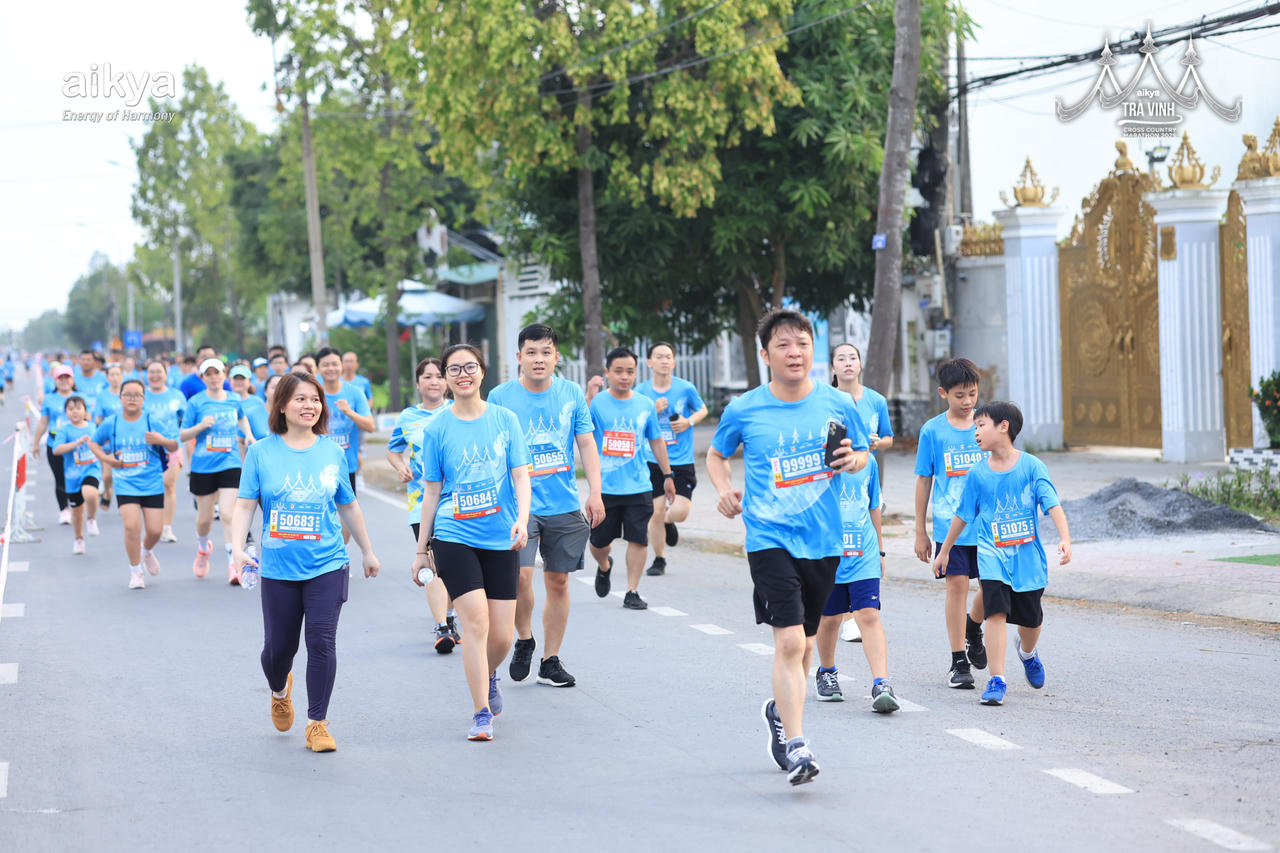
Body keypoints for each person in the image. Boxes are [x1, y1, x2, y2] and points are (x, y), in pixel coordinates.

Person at [706, 308, 869, 786]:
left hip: (824, 539)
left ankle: (780, 710)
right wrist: (724, 488)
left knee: (806, 646)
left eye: (802, 343)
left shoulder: (838, 404)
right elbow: (717, 455)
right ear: (765, 355)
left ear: (813, 351)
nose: (794, 352)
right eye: (783, 345)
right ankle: (799, 746)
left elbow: (860, 454)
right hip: (769, 537)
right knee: (791, 640)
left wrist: (854, 461)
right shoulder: (744, 409)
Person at [231, 371, 381, 753]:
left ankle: (317, 722)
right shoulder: (262, 452)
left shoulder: (332, 450)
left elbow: (347, 503)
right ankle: (280, 689)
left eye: (315, 399)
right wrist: (237, 547)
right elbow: (246, 503)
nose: (309, 405)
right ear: (282, 405)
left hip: (327, 562)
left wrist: (366, 550)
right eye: (300, 399)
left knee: (321, 640)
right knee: (278, 650)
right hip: (278, 567)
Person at [409, 345, 531, 741]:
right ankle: (481, 713)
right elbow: (431, 491)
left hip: (500, 536)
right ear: (444, 377)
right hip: (453, 534)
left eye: (470, 367)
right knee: (475, 622)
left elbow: (521, 477)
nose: (463, 374)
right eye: (454, 369)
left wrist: (522, 520)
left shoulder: (505, 419)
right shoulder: (437, 429)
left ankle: (489, 673)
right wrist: (421, 549)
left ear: (482, 372)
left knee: (502, 637)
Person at [931, 402, 1071, 706]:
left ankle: (1027, 653)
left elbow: (1052, 503)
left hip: (1027, 560)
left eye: (981, 425)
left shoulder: (1032, 466)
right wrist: (944, 551)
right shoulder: (978, 474)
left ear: (1003, 427)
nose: (976, 431)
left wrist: (1065, 537)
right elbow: (962, 515)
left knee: (1032, 621)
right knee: (995, 613)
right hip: (992, 555)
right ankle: (997, 679)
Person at [489, 324, 604, 687]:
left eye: (546, 352)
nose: (539, 359)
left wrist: (595, 492)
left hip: (563, 503)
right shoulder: (499, 396)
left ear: (556, 357)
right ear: (519, 357)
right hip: (516, 506)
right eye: (531, 352)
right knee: (521, 576)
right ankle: (524, 637)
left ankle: (550, 660)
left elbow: (586, 444)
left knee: (558, 581)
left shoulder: (571, 394)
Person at [913, 357, 989, 689]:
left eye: (972, 394)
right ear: (944, 393)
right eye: (960, 395)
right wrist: (920, 530)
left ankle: (974, 626)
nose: (967, 402)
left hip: (989, 525)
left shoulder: (987, 425)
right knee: (957, 586)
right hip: (949, 526)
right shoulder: (932, 431)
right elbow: (923, 480)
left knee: (993, 588)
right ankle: (959, 661)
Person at [588, 347, 674, 611]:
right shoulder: (597, 403)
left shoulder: (645, 404)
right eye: (619, 371)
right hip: (605, 488)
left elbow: (656, 440)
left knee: (639, 539)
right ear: (608, 372)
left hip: (638, 486)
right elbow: (583, 437)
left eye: (630, 371)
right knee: (599, 543)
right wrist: (588, 398)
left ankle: (632, 590)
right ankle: (604, 565)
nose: (625, 376)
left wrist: (668, 475)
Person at [811, 456, 899, 713]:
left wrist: (881, 551)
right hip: (829, 554)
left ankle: (881, 683)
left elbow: (874, 506)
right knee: (830, 619)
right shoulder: (820, 463)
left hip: (864, 553)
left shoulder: (868, 461)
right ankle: (827, 672)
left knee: (869, 615)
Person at [386, 357, 459, 653]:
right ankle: (442, 626)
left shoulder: (457, 413)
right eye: (427, 377)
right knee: (432, 563)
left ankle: (451, 617)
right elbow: (394, 451)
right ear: (418, 384)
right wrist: (400, 467)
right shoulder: (407, 417)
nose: (434, 381)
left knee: (452, 567)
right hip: (422, 504)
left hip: (457, 503)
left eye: (439, 376)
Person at [830, 342, 894, 643]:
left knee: (862, 524)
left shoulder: (876, 401)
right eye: (840, 358)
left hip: (866, 472)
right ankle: (844, 617)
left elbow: (889, 438)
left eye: (852, 357)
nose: (847, 363)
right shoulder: (826, 401)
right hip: (835, 474)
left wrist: (872, 444)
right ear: (833, 367)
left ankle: (857, 615)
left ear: (860, 364)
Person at [92, 379, 177, 589]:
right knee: (131, 526)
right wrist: (107, 459)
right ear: (120, 397)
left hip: (151, 482)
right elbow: (93, 442)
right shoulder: (111, 423)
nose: (132, 399)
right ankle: (136, 571)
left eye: (137, 395)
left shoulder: (152, 421)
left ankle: (146, 550)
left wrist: (161, 440)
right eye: (127, 395)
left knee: (155, 530)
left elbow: (174, 444)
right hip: (125, 482)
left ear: (143, 399)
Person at [180, 358, 255, 583]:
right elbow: (183, 435)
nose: (214, 377)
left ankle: (234, 564)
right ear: (203, 378)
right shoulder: (196, 402)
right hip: (203, 467)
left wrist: (248, 434)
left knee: (227, 513)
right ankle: (203, 548)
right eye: (209, 374)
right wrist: (200, 426)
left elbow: (242, 418)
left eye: (217, 373)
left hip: (230, 463)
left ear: (224, 376)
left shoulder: (233, 399)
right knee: (204, 519)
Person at [636, 341, 707, 577]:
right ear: (649, 362)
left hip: (681, 459)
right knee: (654, 512)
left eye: (668, 357)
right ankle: (659, 559)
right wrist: (652, 411)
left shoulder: (685, 388)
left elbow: (702, 410)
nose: (664, 360)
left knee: (680, 512)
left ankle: (668, 522)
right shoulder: (642, 392)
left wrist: (689, 422)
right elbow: (634, 422)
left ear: (674, 362)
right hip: (653, 459)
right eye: (659, 356)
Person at [315, 347, 373, 536]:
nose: (331, 368)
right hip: (316, 466)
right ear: (318, 368)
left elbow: (370, 426)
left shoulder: (355, 393)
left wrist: (349, 412)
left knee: (345, 521)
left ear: (341, 366)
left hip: (346, 467)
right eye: (325, 364)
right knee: (320, 518)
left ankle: (340, 556)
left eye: (334, 364)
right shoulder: (314, 393)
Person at [52, 396, 102, 554]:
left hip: (91, 469)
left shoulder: (93, 427)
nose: (75, 412)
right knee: (77, 511)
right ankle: (79, 539)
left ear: (85, 411)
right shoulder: (64, 430)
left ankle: (92, 518)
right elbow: (56, 449)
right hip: (72, 475)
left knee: (91, 494)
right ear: (66, 412)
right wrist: (75, 444)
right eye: (71, 409)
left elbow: (103, 442)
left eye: (78, 408)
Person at [32, 364, 81, 525]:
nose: (64, 381)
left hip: (77, 445)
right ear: (56, 380)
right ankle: (64, 510)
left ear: (72, 379)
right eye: (61, 378)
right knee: (60, 478)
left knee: (77, 477)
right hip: (55, 444)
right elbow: (43, 422)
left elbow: (88, 421)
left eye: (67, 377)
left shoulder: (80, 398)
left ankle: (76, 507)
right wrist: (36, 443)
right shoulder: (49, 399)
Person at [144, 359, 187, 543]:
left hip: (171, 446)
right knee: (150, 488)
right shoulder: (142, 395)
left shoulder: (176, 396)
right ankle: (153, 526)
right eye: (151, 372)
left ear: (165, 374)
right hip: (146, 448)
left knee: (168, 485)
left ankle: (166, 528)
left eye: (158, 372)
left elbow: (186, 420)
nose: (155, 376)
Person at [95, 363, 125, 510]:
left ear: (122, 376)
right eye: (111, 375)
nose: (115, 378)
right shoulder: (102, 396)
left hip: (126, 441)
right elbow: (99, 419)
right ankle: (108, 491)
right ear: (107, 378)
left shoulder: (127, 394)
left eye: (117, 374)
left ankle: (127, 501)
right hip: (108, 443)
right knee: (107, 476)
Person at [232, 364, 271, 439]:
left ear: (249, 381)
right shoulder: (225, 401)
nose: (238, 382)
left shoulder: (258, 402)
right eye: (235, 378)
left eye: (242, 378)